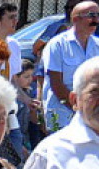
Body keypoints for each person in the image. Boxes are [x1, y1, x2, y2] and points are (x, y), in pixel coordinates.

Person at [40, 1, 99, 131]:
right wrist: (80, 107)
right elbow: (56, 84)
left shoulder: (97, 45)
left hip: (92, 115)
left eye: (97, 15)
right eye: (91, 15)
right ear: (75, 19)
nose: (96, 20)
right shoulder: (57, 45)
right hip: (62, 115)